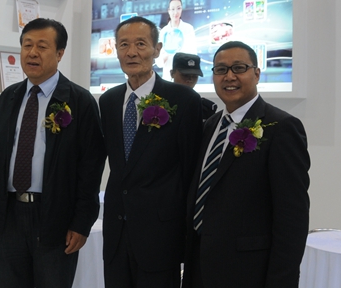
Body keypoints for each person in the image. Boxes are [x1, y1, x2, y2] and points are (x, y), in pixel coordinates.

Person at [0, 18, 105, 288]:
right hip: (10, 214)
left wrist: (81, 222)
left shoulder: (79, 101)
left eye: (42, 46)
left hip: (56, 217)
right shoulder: (9, 97)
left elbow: (91, 167)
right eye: (27, 45)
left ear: (59, 54)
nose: (32, 53)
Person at [183, 41, 310, 288]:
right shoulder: (211, 125)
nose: (229, 76)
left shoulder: (281, 128)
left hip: (248, 272)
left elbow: (292, 218)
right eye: (221, 69)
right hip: (199, 267)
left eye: (239, 68)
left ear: (257, 74)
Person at [100, 16, 203, 287]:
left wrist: (187, 235)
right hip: (116, 234)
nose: (131, 52)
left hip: (160, 236)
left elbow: (191, 171)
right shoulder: (108, 101)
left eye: (141, 44)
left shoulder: (183, 100)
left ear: (157, 50)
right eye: (124, 45)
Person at [156, 0, 197, 80]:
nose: (176, 12)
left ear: (181, 9)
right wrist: (168, 52)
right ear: (169, 11)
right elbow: (159, 63)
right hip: (168, 78)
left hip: (185, 77)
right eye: (173, 9)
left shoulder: (188, 29)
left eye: (178, 8)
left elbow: (193, 56)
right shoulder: (163, 32)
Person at [170, 53, 218, 121]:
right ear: (172, 73)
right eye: (185, 75)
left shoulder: (205, 109)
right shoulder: (160, 103)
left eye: (194, 76)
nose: (190, 80)